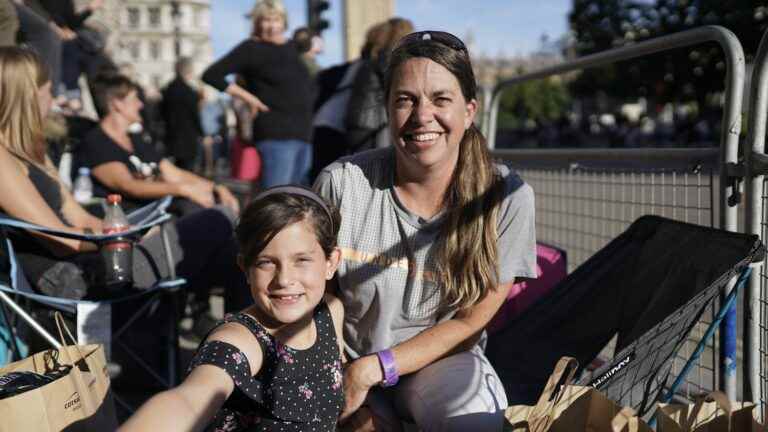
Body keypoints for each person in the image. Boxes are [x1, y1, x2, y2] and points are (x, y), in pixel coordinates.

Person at [314, 30, 537, 431]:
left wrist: (373, 369)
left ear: (470, 111)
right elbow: (319, 297)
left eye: (440, 99)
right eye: (405, 99)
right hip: (343, 361)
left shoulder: (505, 197)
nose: (421, 116)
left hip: (440, 361)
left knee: (477, 422)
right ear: (386, 109)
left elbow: (470, 320)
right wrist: (341, 380)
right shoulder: (342, 182)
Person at [0, 47, 246, 308]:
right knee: (219, 219)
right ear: (27, 96)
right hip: (78, 279)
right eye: (48, 90)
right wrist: (134, 235)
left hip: (100, 261)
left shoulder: (32, 152)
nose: (54, 98)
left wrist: (130, 230)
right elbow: (62, 241)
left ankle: (237, 341)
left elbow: (80, 217)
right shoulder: (4, 160)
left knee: (236, 256)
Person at [119, 185, 345, 432]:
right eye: (265, 262)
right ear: (244, 268)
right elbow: (188, 400)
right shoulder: (242, 340)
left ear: (331, 262)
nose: (284, 279)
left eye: (301, 260)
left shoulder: (330, 312)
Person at [78, 72, 239, 217]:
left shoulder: (135, 138)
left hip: (160, 210)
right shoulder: (97, 141)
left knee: (221, 208)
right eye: (135, 98)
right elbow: (129, 185)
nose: (140, 104)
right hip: (133, 219)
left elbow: (173, 173)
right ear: (117, 104)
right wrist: (183, 189)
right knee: (212, 216)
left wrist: (215, 187)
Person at [202, 0, 315, 189]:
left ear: (284, 22)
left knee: (299, 197)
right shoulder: (250, 49)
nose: (271, 26)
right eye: (265, 20)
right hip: (275, 133)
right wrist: (249, 98)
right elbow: (211, 75)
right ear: (257, 23)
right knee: (278, 196)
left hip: (303, 133)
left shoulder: (292, 48)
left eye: (276, 20)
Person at [345, 17, 414, 153]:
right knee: (374, 167)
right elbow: (396, 84)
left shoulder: (374, 55)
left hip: (360, 120)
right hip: (372, 123)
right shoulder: (390, 55)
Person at [160, 57, 204, 171]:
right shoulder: (189, 92)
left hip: (171, 135)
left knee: (175, 170)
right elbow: (195, 115)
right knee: (187, 170)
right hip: (188, 137)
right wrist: (202, 133)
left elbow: (161, 113)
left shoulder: (167, 90)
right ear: (189, 71)